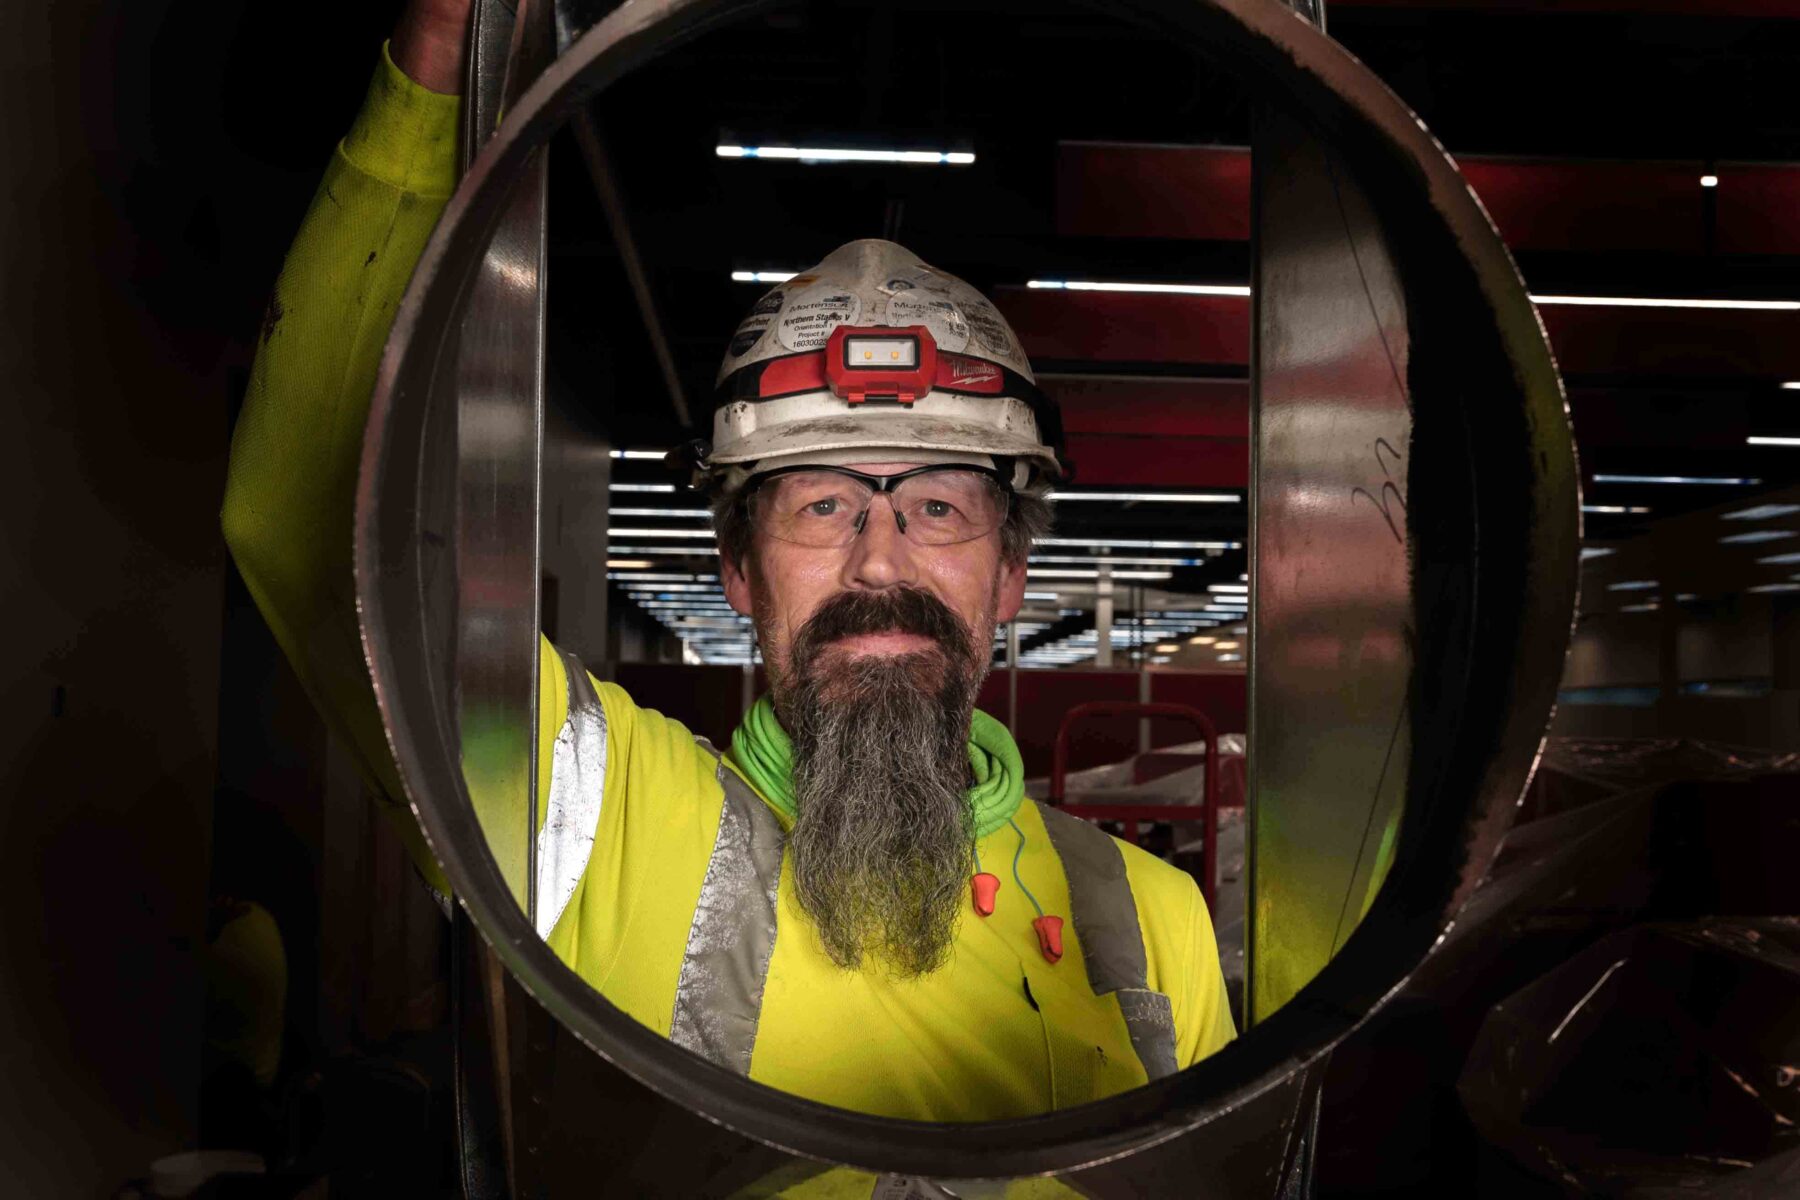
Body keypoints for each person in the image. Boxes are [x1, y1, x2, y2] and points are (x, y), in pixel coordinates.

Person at [221, 0, 1234, 1126]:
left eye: (940, 506)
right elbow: (318, 541)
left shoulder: (1152, 923)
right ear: (739, 572)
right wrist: (434, 92)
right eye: (821, 504)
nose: (878, 561)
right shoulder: (599, 824)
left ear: (1010, 575)